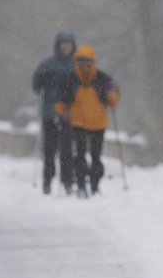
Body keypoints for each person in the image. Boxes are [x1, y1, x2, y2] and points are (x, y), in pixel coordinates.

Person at [55, 44, 120, 198]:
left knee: (96, 157)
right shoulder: (70, 80)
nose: (85, 66)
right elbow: (61, 101)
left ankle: (95, 186)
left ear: (93, 63)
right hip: (79, 123)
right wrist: (61, 113)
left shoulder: (104, 79)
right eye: (81, 63)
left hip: (98, 124)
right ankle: (82, 186)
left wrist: (111, 93)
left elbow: (114, 99)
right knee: (80, 157)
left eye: (88, 63)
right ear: (76, 63)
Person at [32, 32, 77, 194]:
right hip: (49, 113)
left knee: (67, 150)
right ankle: (47, 181)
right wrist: (40, 80)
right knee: (49, 150)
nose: (66, 47)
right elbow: (36, 85)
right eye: (63, 44)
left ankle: (67, 181)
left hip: (68, 114)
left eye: (68, 44)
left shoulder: (75, 65)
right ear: (58, 45)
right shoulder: (48, 64)